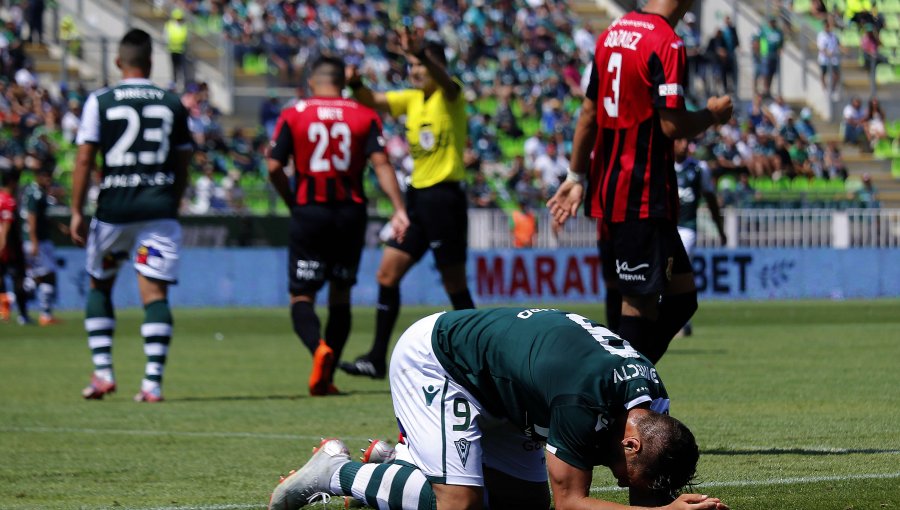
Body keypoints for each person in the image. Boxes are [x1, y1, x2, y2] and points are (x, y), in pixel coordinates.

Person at [268, 307, 730, 510]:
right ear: (631, 443)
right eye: (635, 479)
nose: (629, 486)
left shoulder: (652, 404)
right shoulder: (584, 401)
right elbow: (571, 504)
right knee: (461, 505)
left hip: (507, 391)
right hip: (440, 362)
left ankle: (402, 462)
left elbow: (641, 498)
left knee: (523, 506)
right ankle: (333, 470)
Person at [548, 0, 733, 363]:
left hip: (612, 191)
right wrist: (712, 116)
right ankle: (616, 396)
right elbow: (672, 125)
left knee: (681, 298)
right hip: (641, 193)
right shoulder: (666, 42)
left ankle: (625, 385)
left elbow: (588, 112)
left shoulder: (612, 34)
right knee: (638, 304)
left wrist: (576, 175)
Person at [266, 56, 409, 396]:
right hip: (350, 215)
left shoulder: (294, 114)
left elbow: (273, 166)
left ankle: (319, 350)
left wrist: (291, 200)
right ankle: (326, 378)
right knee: (340, 294)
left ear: (312, 81)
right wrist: (399, 208)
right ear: (341, 82)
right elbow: (381, 163)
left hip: (309, 211)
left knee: (302, 294)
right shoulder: (364, 115)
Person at [339, 29, 475, 380]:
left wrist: (426, 56)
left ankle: (479, 360)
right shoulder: (412, 99)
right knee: (386, 273)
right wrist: (355, 84)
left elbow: (448, 83)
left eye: (420, 65)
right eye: (411, 64)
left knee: (455, 285)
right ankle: (375, 357)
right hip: (417, 199)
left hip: (445, 199)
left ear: (436, 66)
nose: (414, 71)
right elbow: (373, 100)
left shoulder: (451, 94)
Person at [71, 28, 193, 402]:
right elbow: (185, 157)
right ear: (151, 62)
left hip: (114, 213)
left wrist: (76, 210)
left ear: (118, 61)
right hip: (158, 211)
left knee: (100, 283)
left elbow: (85, 156)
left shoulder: (100, 100)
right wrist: (173, 196)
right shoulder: (172, 101)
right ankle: (152, 384)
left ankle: (104, 373)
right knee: (154, 293)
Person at [673, 139, 726, 336]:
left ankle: (679, 321)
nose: (684, 145)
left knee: (678, 272)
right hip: (664, 228)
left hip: (687, 227)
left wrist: (719, 228)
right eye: (680, 140)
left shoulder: (698, 169)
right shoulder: (661, 166)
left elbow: (710, 198)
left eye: (687, 141)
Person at [22, 166, 67, 325]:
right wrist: (34, 242)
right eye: (45, 176)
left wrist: (59, 226)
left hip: (36, 240)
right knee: (47, 276)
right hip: (38, 241)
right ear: (38, 176)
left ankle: (37, 311)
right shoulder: (36, 194)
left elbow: (42, 218)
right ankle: (45, 315)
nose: (48, 179)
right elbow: (32, 219)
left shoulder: (37, 192)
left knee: (39, 276)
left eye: (49, 176)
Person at [0, 166, 31, 324]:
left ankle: (4, 313)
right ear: (13, 182)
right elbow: (6, 225)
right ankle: (22, 315)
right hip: (10, 250)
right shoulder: (9, 201)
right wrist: (3, 245)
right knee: (18, 281)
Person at [163, 8, 189, 88]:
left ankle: (183, 84)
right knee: (174, 68)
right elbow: (165, 36)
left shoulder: (184, 26)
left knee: (182, 69)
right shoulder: (169, 25)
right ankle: (174, 83)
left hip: (181, 50)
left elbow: (187, 37)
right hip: (173, 50)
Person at [816, 19, 841, 98]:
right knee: (823, 74)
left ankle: (833, 90)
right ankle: (825, 89)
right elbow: (821, 47)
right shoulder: (821, 35)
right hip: (824, 59)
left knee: (836, 74)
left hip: (833, 59)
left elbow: (837, 44)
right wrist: (827, 53)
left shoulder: (833, 35)